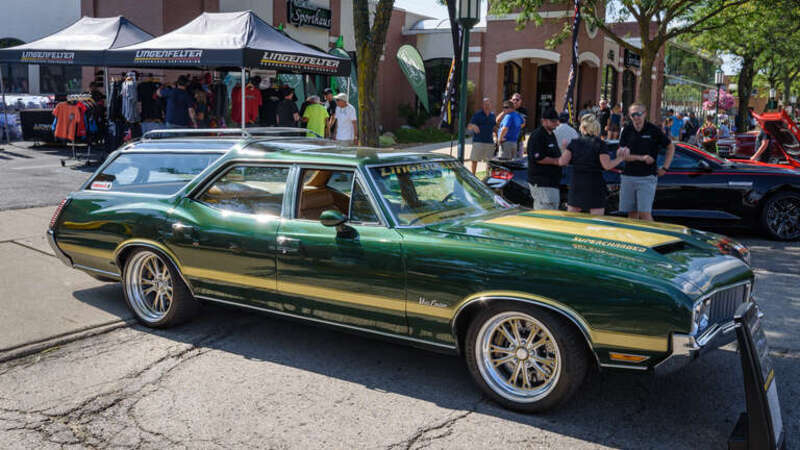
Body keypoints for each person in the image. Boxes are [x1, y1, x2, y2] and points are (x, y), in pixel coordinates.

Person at [558, 114, 629, 215]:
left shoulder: (574, 143)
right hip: (594, 184)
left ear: (582, 128)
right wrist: (620, 158)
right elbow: (607, 165)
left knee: (572, 219)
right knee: (596, 220)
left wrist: (564, 149)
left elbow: (562, 162)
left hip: (577, 183)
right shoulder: (600, 144)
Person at [618, 102, 674, 221]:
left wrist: (665, 167)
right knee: (631, 214)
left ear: (645, 114)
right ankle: (632, 239)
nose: (636, 117)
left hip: (647, 177)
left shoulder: (653, 130)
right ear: (629, 115)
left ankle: (655, 238)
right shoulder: (627, 131)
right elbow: (622, 156)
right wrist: (642, 158)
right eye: (633, 115)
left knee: (644, 214)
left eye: (639, 114)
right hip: (628, 176)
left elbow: (670, 146)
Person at [526, 108, 562, 210]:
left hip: (552, 182)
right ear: (544, 121)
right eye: (553, 121)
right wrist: (556, 161)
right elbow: (538, 157)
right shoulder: (538, 135)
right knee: (544, 214)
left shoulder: (551, 135)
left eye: (556, 121)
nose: (556, 123)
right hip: (541, 182)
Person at [466, 97, 496, 174]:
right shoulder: (477, 115)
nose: (487, 105)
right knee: (474, 160)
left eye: (488, 104)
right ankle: (473, 176)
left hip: (489, 142)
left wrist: (497, 136)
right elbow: (469, 126)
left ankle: (487, 176)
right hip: (478, 141)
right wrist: (473, 126)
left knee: (489, 162)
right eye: (485, 104)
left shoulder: (492, 115)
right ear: (482, 105)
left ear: (491, 105)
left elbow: (494, 127)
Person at [496, 93, 527, 157]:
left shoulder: (522, 110)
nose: (515, 101)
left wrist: (511, 129)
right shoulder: (507, 111)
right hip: (509, 140)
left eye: (517, 100)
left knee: (515, 161)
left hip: (518, 139)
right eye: (513, 99)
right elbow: (497, 120)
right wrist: (506, 109)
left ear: (520, 101)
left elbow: (523, 124)